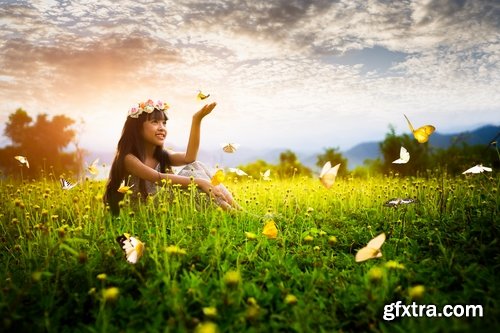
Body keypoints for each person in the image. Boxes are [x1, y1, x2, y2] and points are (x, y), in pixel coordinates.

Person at [104, 98, 239, 215]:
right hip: (144, 209)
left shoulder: (162, 155)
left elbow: (189, 158)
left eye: (164, 123)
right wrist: (201, 182)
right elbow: (158, 178)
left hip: (164, 203)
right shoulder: (129, 158)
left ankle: (237, 209)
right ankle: (231, 212)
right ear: (137, 129)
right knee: (193, 178)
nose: (162, 127)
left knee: (196, 166)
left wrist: (196, 120)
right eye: (155, 122)